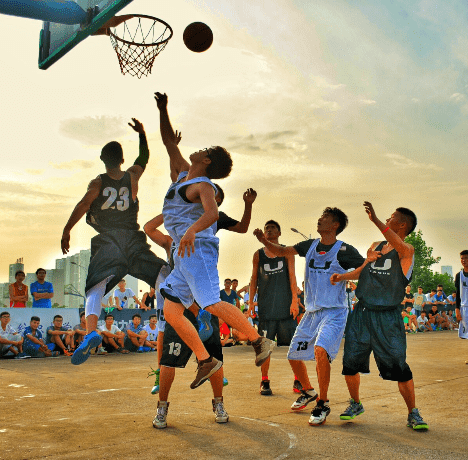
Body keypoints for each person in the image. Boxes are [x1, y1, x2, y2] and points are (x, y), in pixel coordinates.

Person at [151, 91, 273, 429]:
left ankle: (257, 339)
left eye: (204, 150)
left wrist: (190, 231)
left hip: (198, 249)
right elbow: (168, 143)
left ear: (206, 161)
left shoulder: (203, 183)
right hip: (184, 254)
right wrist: (163, 109)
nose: (197, 149)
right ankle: (205, 361)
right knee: (172, 310)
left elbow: (212, 213)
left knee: (210, 302)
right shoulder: (181, 175)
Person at [61, 117, 170, 366]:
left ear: (102, 160)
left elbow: (83, 204)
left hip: (109, 239)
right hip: (132, 238)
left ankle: (90, 332)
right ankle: (165, 324)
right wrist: (142, 134)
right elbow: (143, 159)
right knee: (161, 273)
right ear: (122, 160)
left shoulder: (98, 182)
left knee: (95, 287)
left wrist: (67, 230)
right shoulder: (131, 176)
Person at [253, 206, 365, 426]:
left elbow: (364, 268)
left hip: (334, 311)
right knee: (293, 355)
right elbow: (283, 251)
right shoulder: (311, 245)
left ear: (334, 225)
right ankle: (308, 391)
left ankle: (322, 402)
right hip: (312, 311)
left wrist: (344, 276)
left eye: (324, 218)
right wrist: (264, 242)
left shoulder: (343, 250)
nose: (319, 220)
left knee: (320, 351)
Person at [327, 202, 428, 430]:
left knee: (399, 366)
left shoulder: (407, 251)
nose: (387, 218)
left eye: (391, 217)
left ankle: (413, 412)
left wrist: (374, 219)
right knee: (351, 362)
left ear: (401, 225)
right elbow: (362, 270)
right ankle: (355, 403)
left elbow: (399, 245)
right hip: (362, 313)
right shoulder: (375, 246)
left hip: (388, 317)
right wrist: (341, 277)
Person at [248, 219, 300, 396]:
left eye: (272, 228)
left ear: (279, 233)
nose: (269, 230)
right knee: (265, 348)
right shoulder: (258, 254)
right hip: (266, 309)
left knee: (292, 346)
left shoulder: (287, 252)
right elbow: (253, 279)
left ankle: (298, 380)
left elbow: (293, 277)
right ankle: (265, 381)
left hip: (285, 308)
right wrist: (250, 304)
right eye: (266, 229)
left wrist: (295, 301)